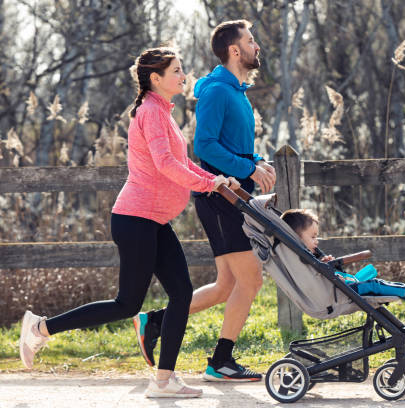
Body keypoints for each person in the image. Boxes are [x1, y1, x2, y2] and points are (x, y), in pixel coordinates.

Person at [18, 47, 236, 398]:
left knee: (181, 294)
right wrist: (210, 184)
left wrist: (216, 179)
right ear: (156, 78)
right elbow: (165, 165)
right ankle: (41, 328)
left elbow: (184, 162)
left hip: (152, 220)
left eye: (182, 70)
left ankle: (163, 381)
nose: (183, 76)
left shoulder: (162, 112)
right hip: (135, 219)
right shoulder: (151, 112)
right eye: (177, 71)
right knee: (127, 304)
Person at [132, 20, 275, 382]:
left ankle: (156, 322)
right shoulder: (216, 92)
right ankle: (221, 360)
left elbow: (231, 144)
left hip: (232, 195)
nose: (256, 46)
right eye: (250, 41)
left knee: (227, 284)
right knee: (252, 279)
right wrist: (247, 168)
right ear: (234, 50)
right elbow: (206, 146)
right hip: (220, 197)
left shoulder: (236, 92)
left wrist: (254, 161)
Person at [280, 209, 405, 309]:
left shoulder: (302, 256)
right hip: (338, 294)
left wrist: (327, 265)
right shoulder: (301, 258)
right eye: (313, 236)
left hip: (339, 289)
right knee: (375, 285)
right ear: (297, 238)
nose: (317, 241)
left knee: (374, 281)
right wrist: (325, 267)